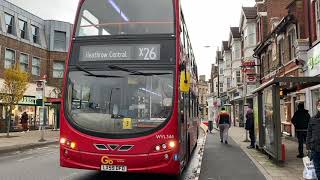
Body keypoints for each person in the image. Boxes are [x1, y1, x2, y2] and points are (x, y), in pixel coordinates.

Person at [307, 100, 320, 179]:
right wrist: (308, 146)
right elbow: (309, 133)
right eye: (319, 105)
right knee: (317, 168)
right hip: (315, 148)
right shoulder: (313, 119)